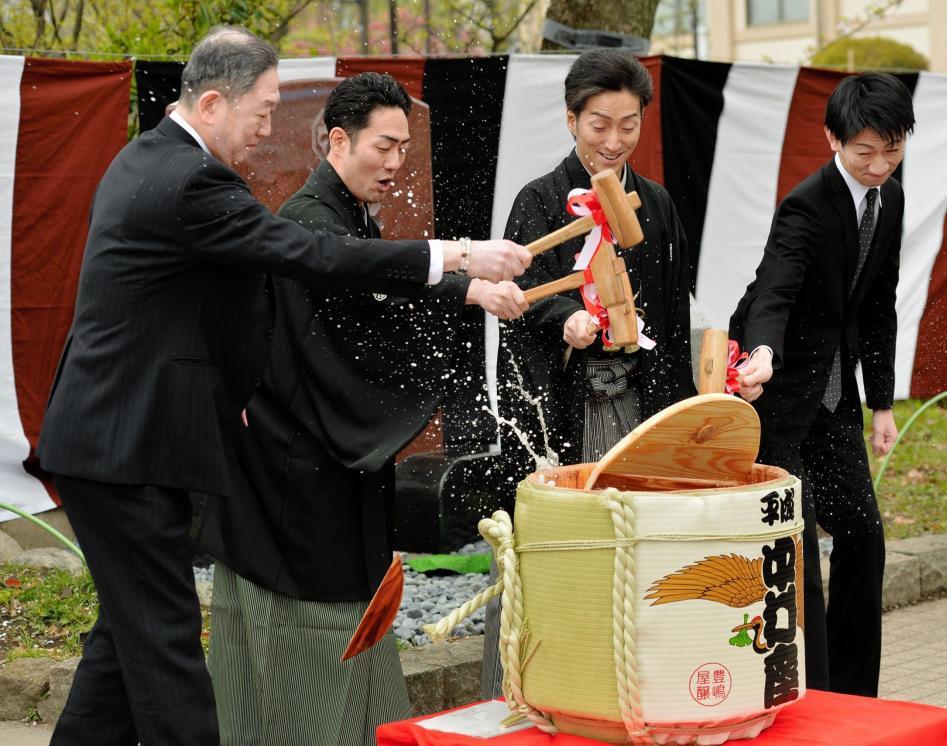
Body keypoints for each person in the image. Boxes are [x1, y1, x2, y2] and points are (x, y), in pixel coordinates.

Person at [36, 27, 530, 746]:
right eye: (263, 110)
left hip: (113, 439)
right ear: (212, 103)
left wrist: (463, 291)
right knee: (170, 656)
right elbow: (305, 253)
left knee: (124, 643)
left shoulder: (143, 158)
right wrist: (455, 257)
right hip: (128, 447)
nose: (270, 128)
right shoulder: (194, 181)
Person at [197, 72, 528, 746]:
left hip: (328, 468)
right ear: (339, 141)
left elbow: (375, 282)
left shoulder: (344, 215)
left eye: (404, 148)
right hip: (294, 481)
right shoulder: (309, 220)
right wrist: (463, 281)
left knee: (355, 624)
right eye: (384, 145)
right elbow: (358, 288)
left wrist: (469, 292)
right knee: (307, 637)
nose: (395, 163)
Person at [483, 48, 696, 697]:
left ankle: (629, 690)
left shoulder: (654, 204)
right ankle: (526, 691)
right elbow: (518, 305)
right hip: (568, 402)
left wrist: (680, 419)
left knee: (639, 552)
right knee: (551, 551)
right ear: (572, 119)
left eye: (628, 125)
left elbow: (674, 316)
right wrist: (565, 321)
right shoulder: (541, 200)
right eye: (599, 124)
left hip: (641, 401)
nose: (613, 140)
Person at [730, 72, 915, 697]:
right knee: (797, 549)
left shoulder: (890, 197)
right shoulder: (807, 204)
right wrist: (760, 353)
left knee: (863, 536)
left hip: (836, 397)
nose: (879, 164)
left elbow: (879, 305)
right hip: (775, 394)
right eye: (865, 150)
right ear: (834, 138)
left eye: (892, 150)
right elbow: (773, 289)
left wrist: (883, 403)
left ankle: (855, 695)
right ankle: (802, 693)